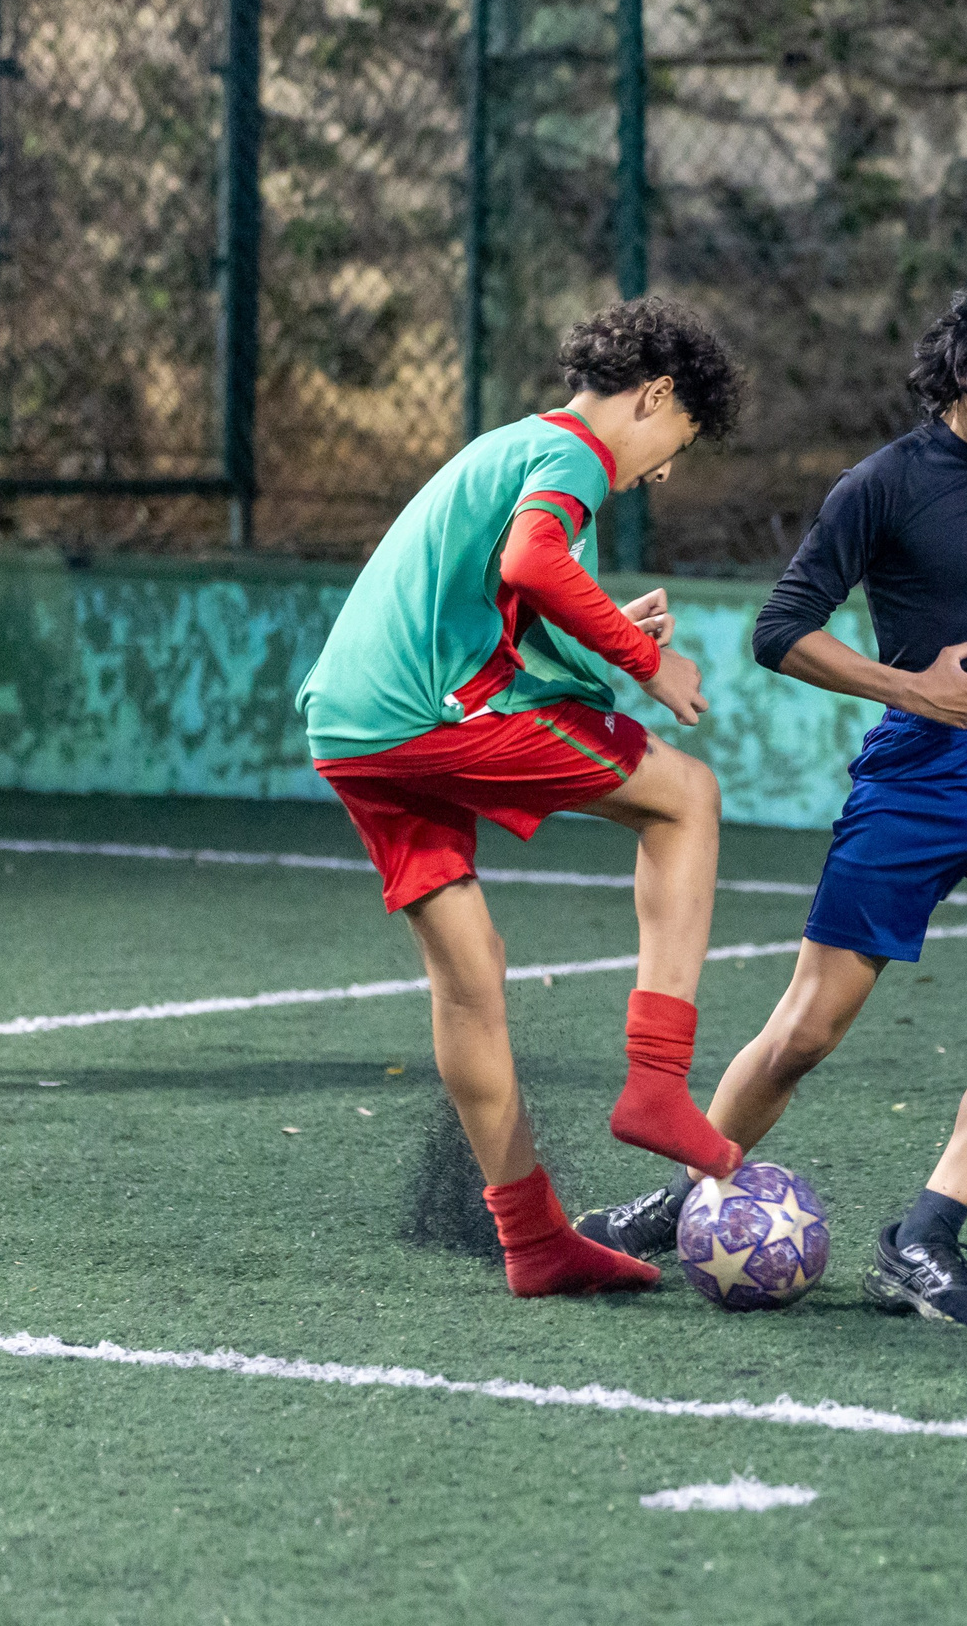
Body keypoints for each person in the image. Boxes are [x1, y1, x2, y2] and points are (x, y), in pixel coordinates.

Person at [577, 269, 967, 1325]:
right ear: (959, 371)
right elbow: (780, 630)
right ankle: (688, 1194)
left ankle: (924, 1237)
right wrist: (909, 686)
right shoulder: (884, 483)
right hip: (914, 776)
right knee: (806, 1032)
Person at [295, 297, 748, 1298]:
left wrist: (599, 629)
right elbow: (533, 563)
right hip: (427, 713)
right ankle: (658, 1086)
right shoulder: (574, 454)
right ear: (657, 395)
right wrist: (645, 659)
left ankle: (534, 1240)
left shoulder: (513, 450)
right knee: (686, 800)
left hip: (351, 726)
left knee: (470, 972)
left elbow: (504, 596)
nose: (668, 468)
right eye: (681, 439)